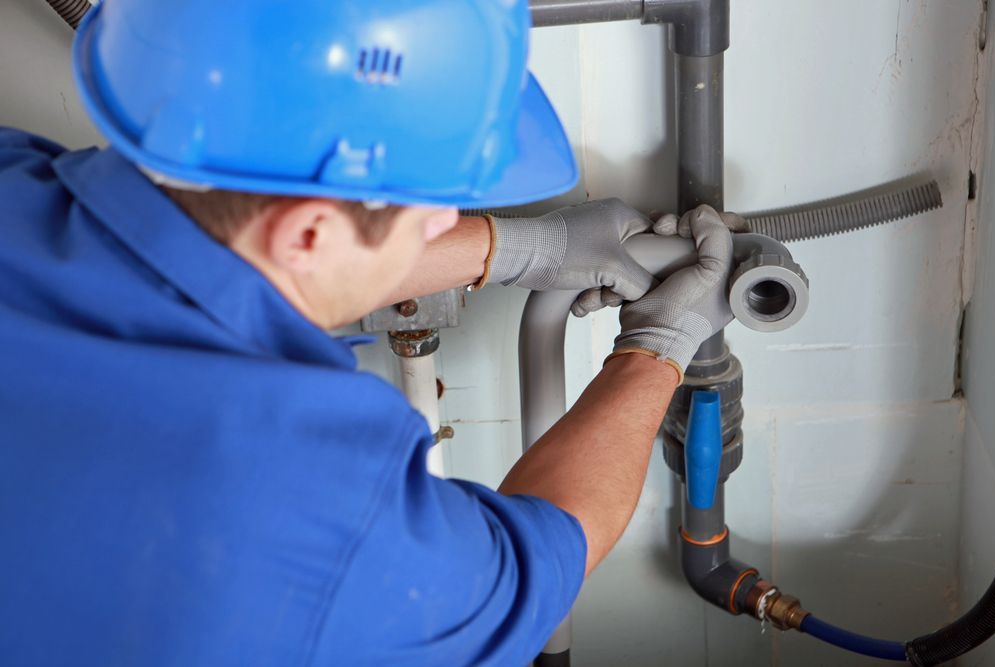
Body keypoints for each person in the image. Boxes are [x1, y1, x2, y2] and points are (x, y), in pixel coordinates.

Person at [0, 1, 743, 665]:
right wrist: (659, 346)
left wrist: (526, 248)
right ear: (311, 233)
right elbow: (534, 561)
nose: (445, 220)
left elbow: (262, 252)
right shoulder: (311, 503)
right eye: (431, 205)